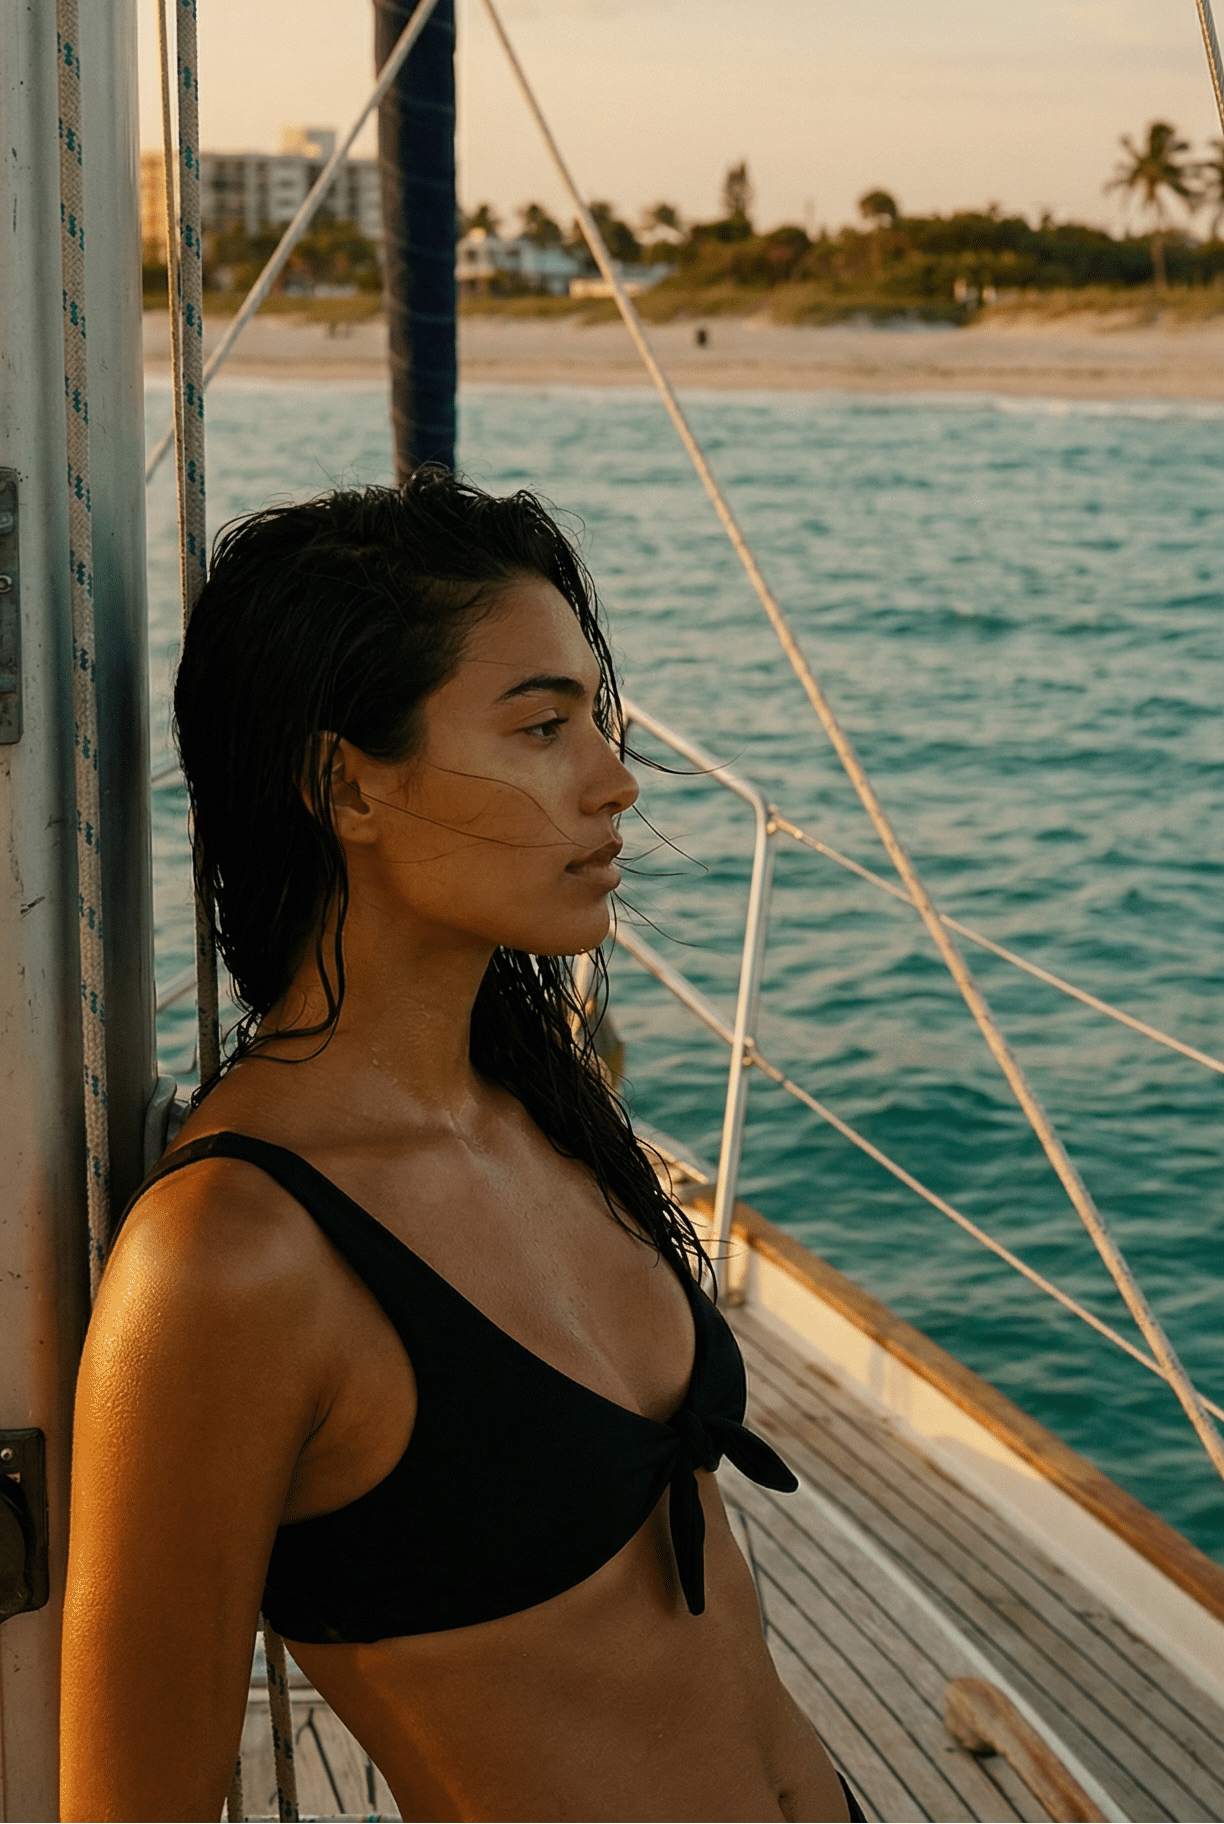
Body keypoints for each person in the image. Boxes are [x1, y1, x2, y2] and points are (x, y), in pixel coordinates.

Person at [60, 471, 859, 1823]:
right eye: (543, 727)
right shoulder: (233, 1260)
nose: (614, 783)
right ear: (344, 786)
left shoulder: (539, 1107)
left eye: (596, 719)